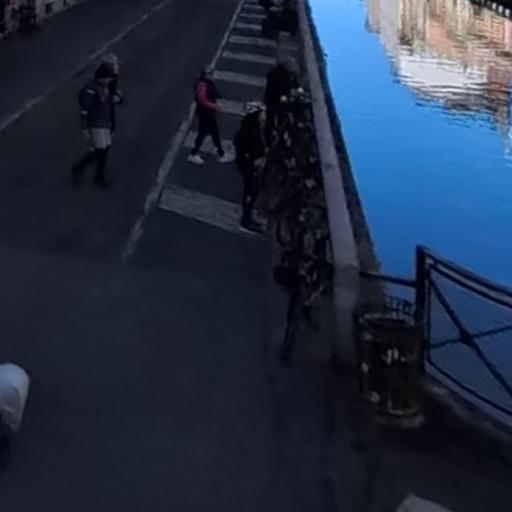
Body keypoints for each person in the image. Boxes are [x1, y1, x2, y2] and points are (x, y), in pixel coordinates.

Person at [71, 63, 115, 187]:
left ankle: (97, 175)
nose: (110, 80)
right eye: (108, 77)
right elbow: (84, 109)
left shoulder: (102, 88)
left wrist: (114, 99)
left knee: (105, 149)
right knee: (100, 150)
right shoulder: (90, 89)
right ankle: (80, 168)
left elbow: (105, 101)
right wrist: (85, 127)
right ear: (102, 77)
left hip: (104, 122)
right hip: (95, 123)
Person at [188, 68, 232, 165]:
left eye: (212, 73)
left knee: (210, 133)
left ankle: (219, 153)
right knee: (207, 133)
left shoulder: (207, 83)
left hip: (207, 113)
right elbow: (202, 99)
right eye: (209, 74)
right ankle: (195, 153)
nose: (212, 75)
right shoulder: (202, 85)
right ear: (204, 75)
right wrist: (214, 106)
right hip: (205, 114)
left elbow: (212, 94)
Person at [234, 101, 266, 233]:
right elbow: (254, 147)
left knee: (251, 190)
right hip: (248, 164)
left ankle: (247, 216)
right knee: (252, 190)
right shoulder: (251, 129)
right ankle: (246, 221)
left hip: (246, 162)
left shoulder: (248, 126)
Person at [264, 57, 298, 143]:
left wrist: (298, 90)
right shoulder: (274, 74)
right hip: (272, 100)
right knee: (271, 118)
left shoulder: (288, 74)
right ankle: (268, 137)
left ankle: (279, 136)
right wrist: (283, 96)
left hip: (280, 101)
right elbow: (273, 89)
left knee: (281, 118)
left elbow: (294, 83)